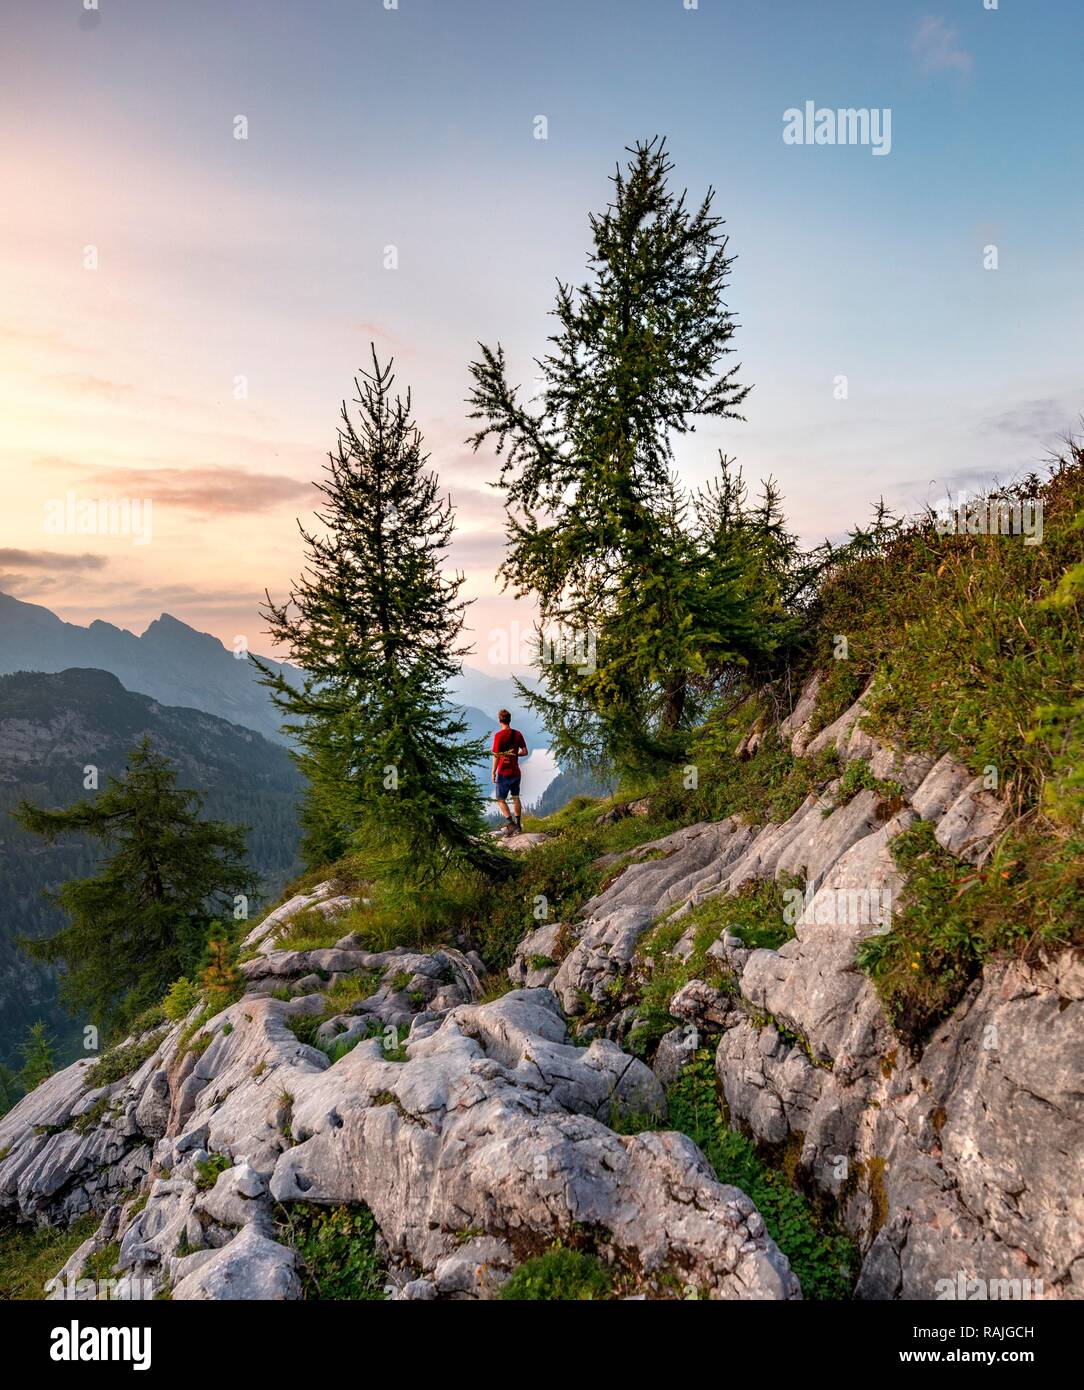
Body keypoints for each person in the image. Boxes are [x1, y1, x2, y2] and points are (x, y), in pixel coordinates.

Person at [491, 709, 528, 834]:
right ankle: (518, 824)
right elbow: (524, 752)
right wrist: (515, 754)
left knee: (500, 799)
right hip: (516, 772)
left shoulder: (498, 736)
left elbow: (496, 755)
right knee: (516, 797)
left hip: (503, 772)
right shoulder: (518, 734)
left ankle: (511, 824)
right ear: (509, 720)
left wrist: (493, 772)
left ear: (499, 720)